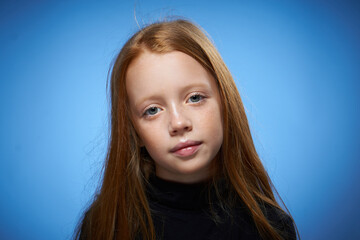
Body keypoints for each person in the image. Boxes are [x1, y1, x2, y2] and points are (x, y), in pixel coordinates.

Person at [75, 19, 298, 240]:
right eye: (152, 110)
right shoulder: (105, 226)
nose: (179, 123)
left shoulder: (269, 228)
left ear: (225, 104)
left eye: (195, 98)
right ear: (134, 132)